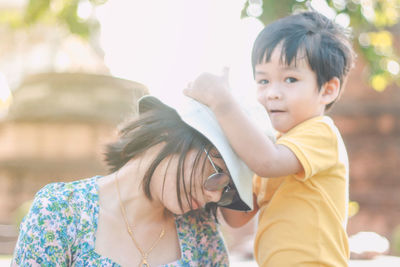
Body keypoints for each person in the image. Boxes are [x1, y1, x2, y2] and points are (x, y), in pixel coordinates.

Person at [184, 11, 355, 267]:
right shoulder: (273, 147)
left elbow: (267, 163)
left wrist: (222, 103)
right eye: (263, 80)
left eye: (290, 79)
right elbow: (238, 217)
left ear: (328, 90)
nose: (272, 93)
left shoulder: (320, 132)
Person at [11, 95, 256, 266]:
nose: (214, 196)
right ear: (169, 132)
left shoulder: (201, 234)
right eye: (217, 175)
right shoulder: (60, 211)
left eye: (225, 191)